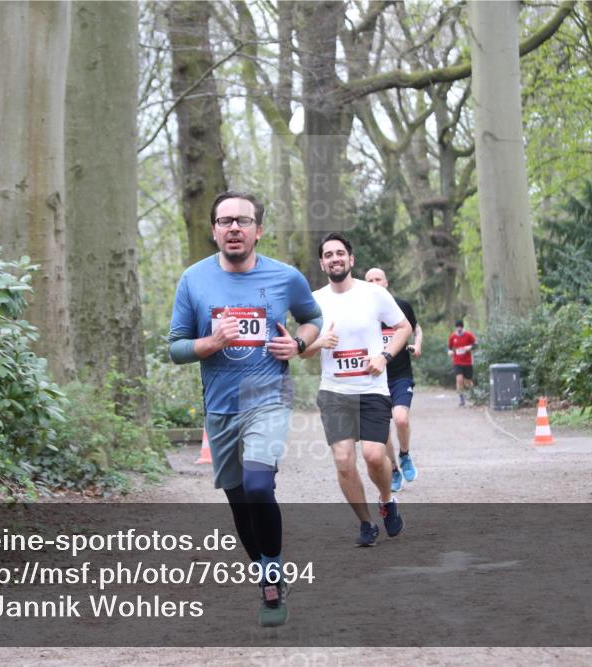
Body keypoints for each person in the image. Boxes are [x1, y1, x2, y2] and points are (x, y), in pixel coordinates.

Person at [168, 191, 322, 627]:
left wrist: (299, 343)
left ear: (258, 229)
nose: (234, 227)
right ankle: (264, 569)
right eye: (225, 221)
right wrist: (212, 343)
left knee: (258, 486)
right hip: (219, 406)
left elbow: (314, 318)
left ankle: (272, 576)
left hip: (267, 396)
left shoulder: (285, 277)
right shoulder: (193, 280)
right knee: (239, 501)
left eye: (243, 220)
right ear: (213, 230)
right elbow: (175, 347)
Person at [302, 233, 412, 547]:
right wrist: (319, 343)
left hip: (372, 389)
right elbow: (301, 350)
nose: (334, 258)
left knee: (375, 456)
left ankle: (387, 500)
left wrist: (385, 356)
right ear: (322, 263)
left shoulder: (373, 294)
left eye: (340, 253)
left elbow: (403, 327)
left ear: (351, 260)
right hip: (334, 391)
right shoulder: (314, 301)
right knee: (343, 459)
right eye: (328, 254)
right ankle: (366, 523)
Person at [363, 268, 422, 492]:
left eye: (378, 279)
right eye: (369, 280)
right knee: (382, 431)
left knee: (400, 419)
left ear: (386, 282)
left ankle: (405, 455)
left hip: (400, 375)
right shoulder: (363, 312)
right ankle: (395, 470)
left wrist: (417, 345)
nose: (375, 283)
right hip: (375, 378)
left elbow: (416, 329)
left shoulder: (401, 306)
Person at [448, 319, 477, 406]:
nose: (459, 329)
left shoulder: (468, 335)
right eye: (458, 327)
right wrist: (449, 352)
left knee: (468, 382)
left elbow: (476, 344)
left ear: (463, 327)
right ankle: (461, 399)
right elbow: (449, 348)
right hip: (457, 362)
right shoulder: (452, 337)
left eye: (460, 327)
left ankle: (474, 396)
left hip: (468, 362)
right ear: (456, 328)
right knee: (459, 380)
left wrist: (470, 347)